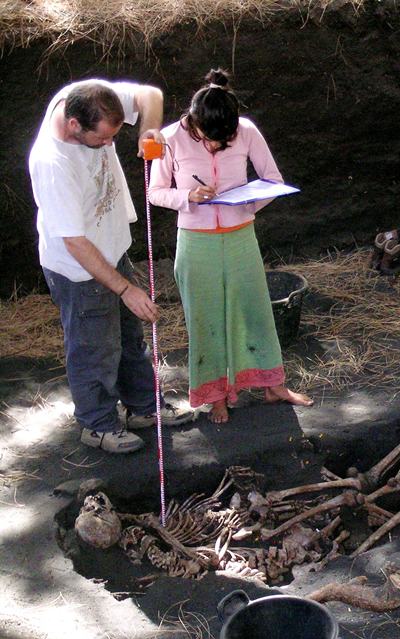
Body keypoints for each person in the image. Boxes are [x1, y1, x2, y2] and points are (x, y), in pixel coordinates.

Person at [28, 80, 194, 454]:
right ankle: (98, 425)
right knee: (93, 349)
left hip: (111, 249)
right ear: (74, 126)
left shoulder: (87, 96)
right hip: (78, 269)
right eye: (101, 140)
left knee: (129, 339)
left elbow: (149, 96)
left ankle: (142, 409)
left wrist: (150, 129)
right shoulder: (53, 164)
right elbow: (75, 243)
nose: (108, 145)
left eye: (113, 138)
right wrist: (125, 288)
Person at [148, 69, 312, 424]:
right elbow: (155, 192)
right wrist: (187, 195)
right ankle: (216, 395)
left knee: (254, 311)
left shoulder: (247, 130)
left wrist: (247, 204)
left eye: (225, 139)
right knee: (205, 318)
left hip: (240, 237)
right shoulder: (169, 138)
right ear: (194, 121)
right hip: (195, 243)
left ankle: (272, 385)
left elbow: (274, 180)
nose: (217, 145)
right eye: (210, 138)